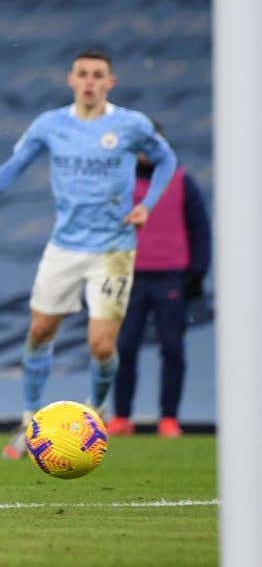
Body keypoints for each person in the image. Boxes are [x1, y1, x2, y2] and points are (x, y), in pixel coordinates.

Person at [0, 49, 178, 459]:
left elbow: (166, 159)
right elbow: (14, 166)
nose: (90, 81)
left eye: (98, 75)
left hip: (113, 249)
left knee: (102, 346)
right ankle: (29, 421)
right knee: (39, 332)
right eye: (83, 74)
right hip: (64, 248)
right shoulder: (50, 125)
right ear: (71, 80)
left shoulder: (130, 125)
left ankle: (95, 415)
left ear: (110, 82)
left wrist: (148, 204)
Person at [107, 125, 211, 438]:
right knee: (124, 347)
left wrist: (196, 272)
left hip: (171, 276)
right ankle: (122, 417)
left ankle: (168, 418)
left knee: (172, 347)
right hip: (130, 275)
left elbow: (200, 229)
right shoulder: (120, 182)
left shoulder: (180, 181)